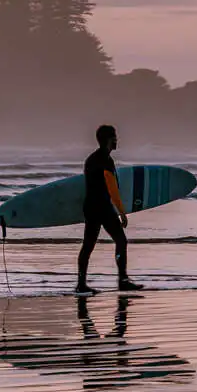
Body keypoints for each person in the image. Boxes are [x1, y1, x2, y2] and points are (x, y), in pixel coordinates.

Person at [76, 124, 143, 295]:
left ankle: (81, 284)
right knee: (120, 241)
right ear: (107, 140)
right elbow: (112, 187)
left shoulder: (91, 159)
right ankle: (122, 280)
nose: (116, 140)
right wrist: (122, 212)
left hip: (91, 206)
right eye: (114, 136)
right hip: (102, 208)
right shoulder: (105, 160)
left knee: (88, 246)